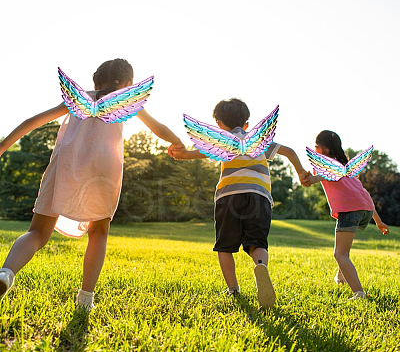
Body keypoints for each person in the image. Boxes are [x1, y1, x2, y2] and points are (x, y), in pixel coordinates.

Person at [0, 58, 184, 309]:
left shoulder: (77, 98)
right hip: (102, 171)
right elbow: (158, 128)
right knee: (98, 233)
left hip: (66, 165)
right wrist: (177, 142)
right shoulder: (125, 101)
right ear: (126, 84)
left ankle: (5, 274)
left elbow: (34, 121)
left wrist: (2, 146)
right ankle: (86, 298)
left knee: (38, 232)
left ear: (96, 81)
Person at [170, 98, 309, 308]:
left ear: (219, 124)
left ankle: (233, 289)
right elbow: (288, 151)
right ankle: (260, 266)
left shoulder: (223, 141)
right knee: (257, 243)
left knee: (225, 246)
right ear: (246, 124)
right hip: (259, 196)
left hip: (229, 195)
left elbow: (203, 152)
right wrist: (300, 172)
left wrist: (185, 155)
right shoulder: (258, 142)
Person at [304, 130, 389, 299]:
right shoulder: (348, 169)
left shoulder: (326, 166)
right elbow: (363, 194)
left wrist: (307, 178)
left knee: (339, 254)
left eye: (316, 147)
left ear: (325, 149)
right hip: (365, 209)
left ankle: (359, 293)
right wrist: (378, 221)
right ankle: (341, 277)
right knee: (344, 250)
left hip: (350, 210)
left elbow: (315, 178)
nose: (315, 150)